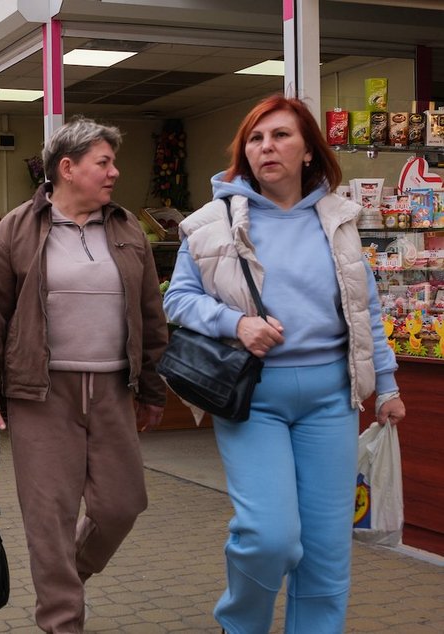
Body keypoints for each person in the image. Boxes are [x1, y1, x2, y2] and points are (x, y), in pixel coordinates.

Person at [162, 94, 406, 634]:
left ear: (309, 152)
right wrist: (237, 324)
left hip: (332, 401)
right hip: (255, 400)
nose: (267, 147)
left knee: (325, 549)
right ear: (244, 153)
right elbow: (176, 300)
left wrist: (385, 387)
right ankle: (240, 623)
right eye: (255, 138)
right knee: (269, 535)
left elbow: (365, 310)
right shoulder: (211, 223)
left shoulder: (339, 220)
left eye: (280, 136)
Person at [0, 117, 168, 633]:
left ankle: (64, 577)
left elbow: (150, 316)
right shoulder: (15, 229)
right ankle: (61, 620)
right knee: (49, 519)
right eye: (105, 162)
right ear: (67, 168)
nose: (115, 172)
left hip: (114, 390)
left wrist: (152, 388)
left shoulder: (127, 231)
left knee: (122, 504)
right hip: (42, 393)